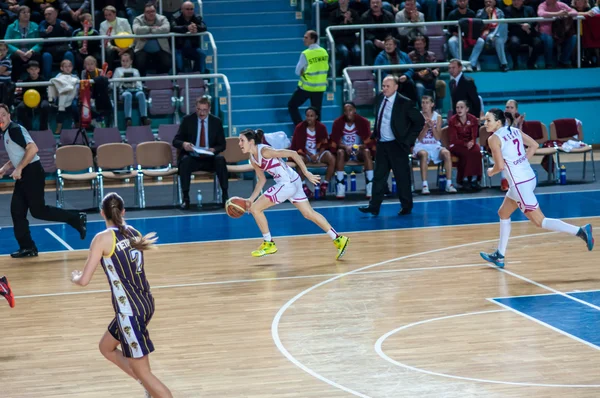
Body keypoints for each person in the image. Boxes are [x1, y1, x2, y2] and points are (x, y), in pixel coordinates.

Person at [70, 192, 172, 398]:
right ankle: (148, 388)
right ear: (123, 212)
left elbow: (84, 280)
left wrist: (75, 277)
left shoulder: (102, 239)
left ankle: (152, 388)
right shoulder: (133, 232)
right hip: (145, 302)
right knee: (106, 347)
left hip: (130, 312)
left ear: (102, 213)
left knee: (145, 372)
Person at [480, 109, 594, 268]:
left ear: (498, 122)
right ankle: (500, 255)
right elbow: (534, 145)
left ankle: (581, 231)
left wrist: (490, 172)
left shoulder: (494, 139)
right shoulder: (514, 130)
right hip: (529, 178)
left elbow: (499, 166)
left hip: (520, 184)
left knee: (540, 221)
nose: (485, 123)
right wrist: (521, 162)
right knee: (503, 212)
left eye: (488, 120)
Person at [238, 129, 350, 260]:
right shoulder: (252, 158)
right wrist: (251, 199)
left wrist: (307, 173)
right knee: (309, 213)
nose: (239, 143)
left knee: (256, 209)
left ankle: (268, 243)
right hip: (293, 180)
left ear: (251, 142)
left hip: (287, 183)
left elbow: (293, 153)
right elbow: (261, 180)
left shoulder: (265, 151)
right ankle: (338, 238)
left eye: (242, 140)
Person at [0, 104, 86, 258]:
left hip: (32, 172)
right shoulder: (7, 132)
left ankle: (76, 218)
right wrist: (6, 167)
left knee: (38, 211)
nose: (1, 118)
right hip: (26, 173)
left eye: (3, 114)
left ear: (9, 116)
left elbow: (32, 149)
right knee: (17, 211)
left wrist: (18, 169)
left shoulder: (13, 129)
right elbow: (20, 153)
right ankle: (28, 247)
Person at [359, 75, 424, 217]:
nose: (384, 89)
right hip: (382, 144)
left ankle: (406, 206)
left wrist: (408, 141)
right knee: (378, 177)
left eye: (387, 86)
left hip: (398, 145)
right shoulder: (379, 99)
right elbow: (379, 118)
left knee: (402, 177)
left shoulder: (405, 102)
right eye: (383, 86)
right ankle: (374, 206)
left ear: (396, 87)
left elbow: (419, 121)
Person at [172, 96, 228, 209]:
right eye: (199, 110)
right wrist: (184, 144)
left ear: (209, 109)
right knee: (185, 161)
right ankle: (186, 198)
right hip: (192, 157)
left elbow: (222, 145)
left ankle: (225, 196)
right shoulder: (188, 120)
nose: (202, 113)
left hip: (210, 159)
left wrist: (214, 149)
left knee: (220, 160)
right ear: (196, 108)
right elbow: (175, 141)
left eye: (204, 110)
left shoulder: (216, 122)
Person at [329, 102, 375, 199]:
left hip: (359, 151)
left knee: (367, 152)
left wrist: (358, 147)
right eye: (345, 111)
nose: (348, 113)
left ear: (354, 110)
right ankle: (340, 184)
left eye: (350, 110)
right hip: (346, 151)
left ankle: (370, 184)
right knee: (340, 152)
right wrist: (346, 147)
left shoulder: (363, 122)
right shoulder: (338, 123)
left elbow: (368, 142)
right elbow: (336, 142)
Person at [414, 95, 457, 194]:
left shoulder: (438, 117)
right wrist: (425, 127)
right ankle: (425, 185)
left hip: (434, 145)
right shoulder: (417, 116)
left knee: (446, 153)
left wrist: (432, 127)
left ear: (432, 104)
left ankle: (449, 184)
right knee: (424, 154)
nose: (424, 105)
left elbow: (438, 137)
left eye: (427, 103)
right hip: (421, 145)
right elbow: (419, 138)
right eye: (423, 102)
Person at [290, 107, 335, 199]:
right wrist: (311, 155)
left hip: (318, 153)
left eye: (311, 116)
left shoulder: (321, 127)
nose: (309, 118)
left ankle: (324, 185)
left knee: (332, 158)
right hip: (305, 154)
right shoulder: (300, 127)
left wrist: (318, 155)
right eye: (307, 116)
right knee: (298, 159)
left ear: (316, 117)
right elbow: (298, 146)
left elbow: (325, 144)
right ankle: (304, 187)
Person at [288, 30, 329, 127]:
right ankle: (318, 135)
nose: (304, 39)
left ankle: (300, 129)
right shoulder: (324, 52)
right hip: (320, 87)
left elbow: (297, 71)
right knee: (317, 113)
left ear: (313, 39)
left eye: (306, 37)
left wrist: (304, 70)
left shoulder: (306, 53)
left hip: (307, 87)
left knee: (292, 105)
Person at [447, 99, 482, 190]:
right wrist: (465, 144)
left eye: (461, 107)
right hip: (456, 144)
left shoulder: (473, 119)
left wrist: (472, 142)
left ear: (467, 109)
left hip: (470, 143)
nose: (459, 109)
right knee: (467, 153)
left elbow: (474, 135)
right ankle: (464, 179)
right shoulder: (452, 120)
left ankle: (475, 179)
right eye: (457, 107)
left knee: (477, 151)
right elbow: (454, 138)